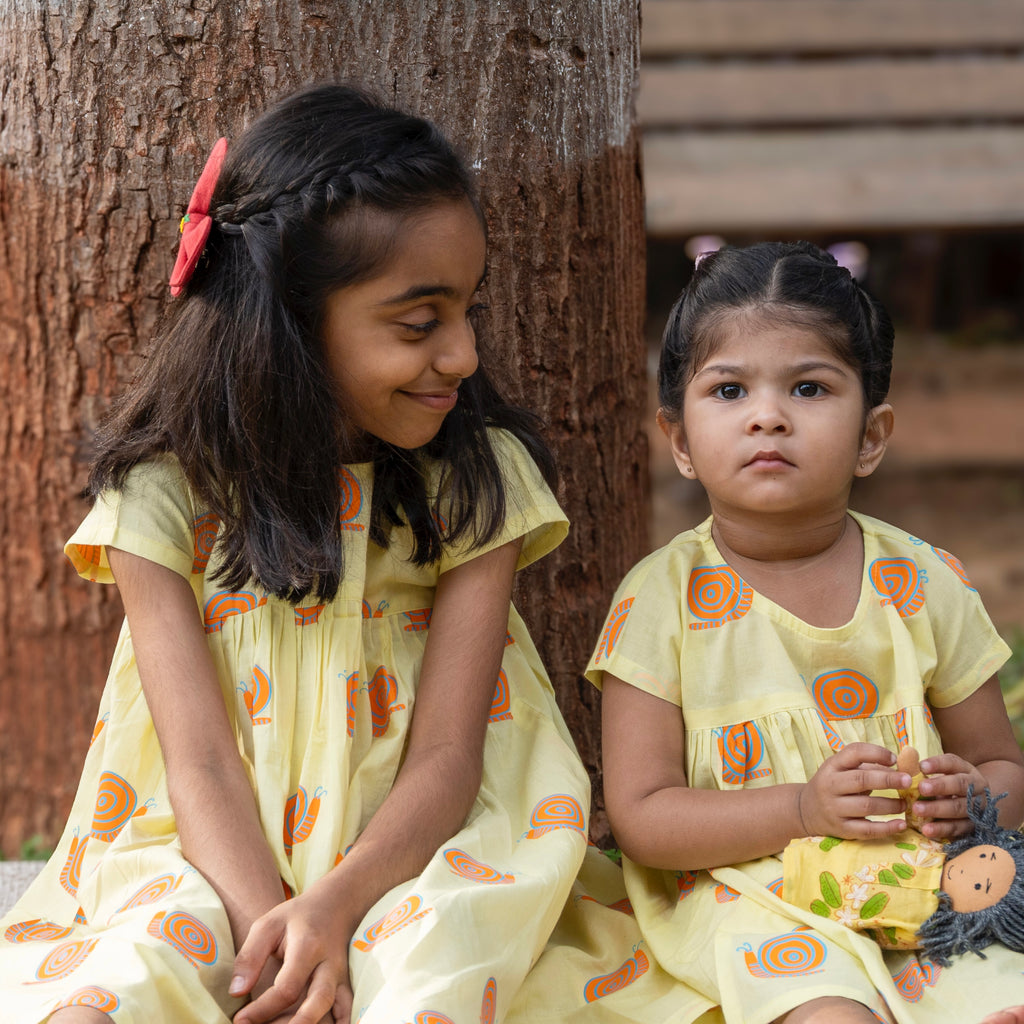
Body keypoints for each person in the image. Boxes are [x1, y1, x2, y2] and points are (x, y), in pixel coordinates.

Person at [0, 83, 654, 1024]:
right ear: (293, 322)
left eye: (468, 310)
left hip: (429, 852)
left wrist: (337, 908)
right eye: (420, 323)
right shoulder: (162, 496)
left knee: (423, 985)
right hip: (203, 851)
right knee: (122, 988)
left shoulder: (478, 478)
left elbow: (445, 760)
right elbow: (199, 768)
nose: (465, 355)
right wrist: (277, 930)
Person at [587, 241, 1024, 1024]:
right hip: (754, 894)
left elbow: (1003, 763)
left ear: (871, 436)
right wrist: (802, 811)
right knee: (830, 1015)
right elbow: (643, 818)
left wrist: (974, 798)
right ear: (680, 441)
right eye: (728, 390)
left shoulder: (921, 581)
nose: (767, 415)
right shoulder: (660, 600)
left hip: (922, 883)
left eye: (809, 387)